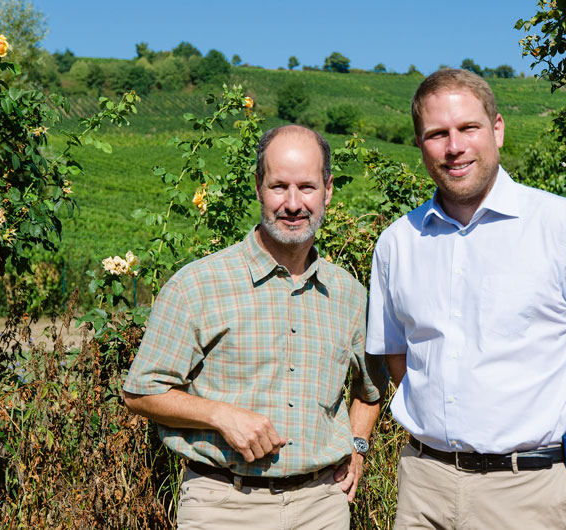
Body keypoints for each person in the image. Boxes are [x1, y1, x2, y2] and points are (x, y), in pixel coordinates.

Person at [366, 69, 566, 529]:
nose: (453, 147)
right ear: (420, 145)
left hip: (529, 491)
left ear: (496, 129)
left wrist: (560, 432)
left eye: (467, 128)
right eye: (437, 134)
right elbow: (399, 356)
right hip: (423, 487)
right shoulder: (398, 243)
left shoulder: (563, 227)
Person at [123, 124, 383, 530]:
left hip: (322, 507)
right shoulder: (198, 284)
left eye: (307, 187)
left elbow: (371, 391)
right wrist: (221, 415)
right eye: (279, 186)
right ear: (258, 187)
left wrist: (358, 447)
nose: (294, 203)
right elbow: (141, 391)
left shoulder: (349, 295)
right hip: (223, 506)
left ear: (328, 190)